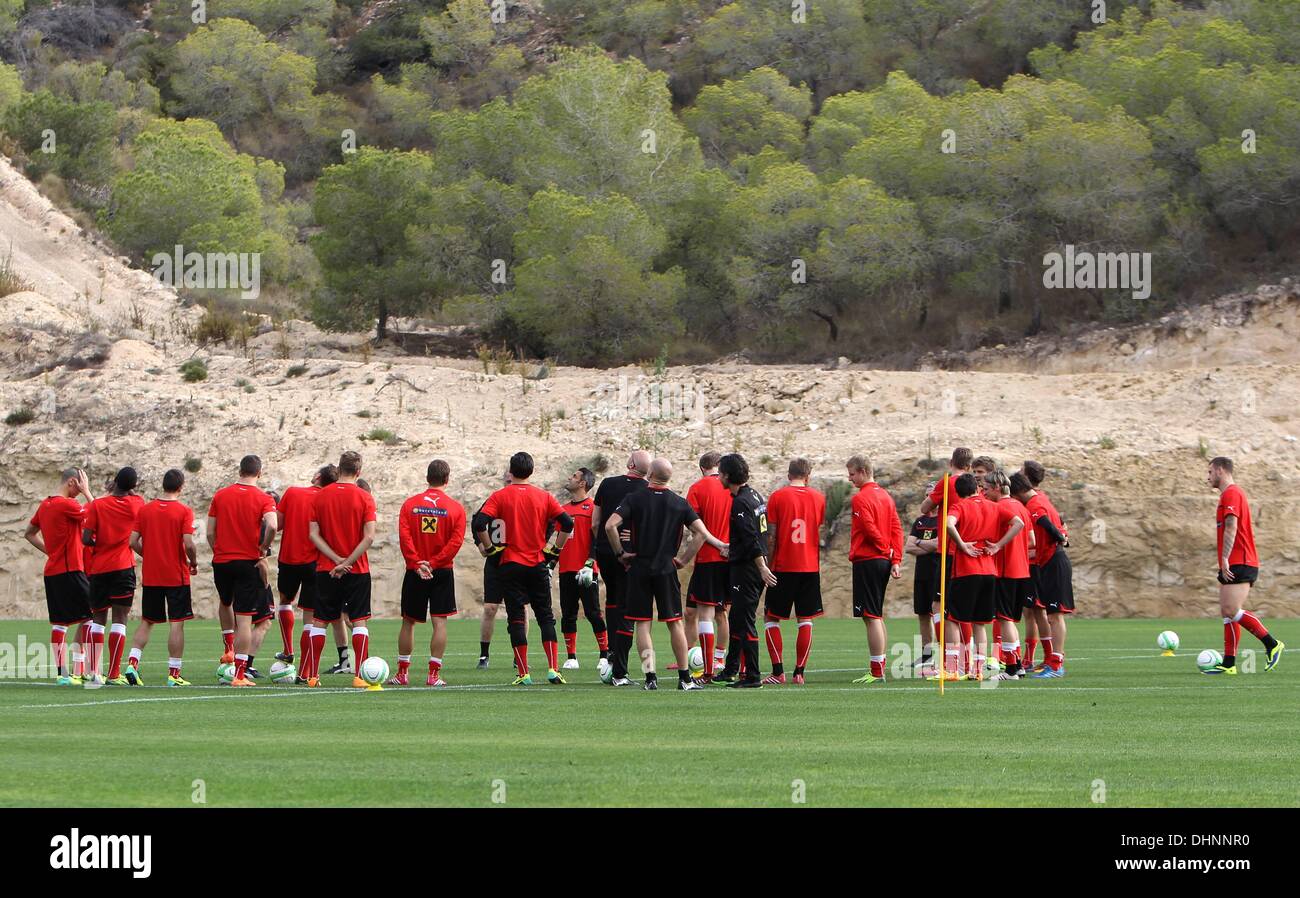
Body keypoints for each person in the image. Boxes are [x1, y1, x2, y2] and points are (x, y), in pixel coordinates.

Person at [604, 458, 725, 690]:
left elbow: (610, 525)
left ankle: (650, 677)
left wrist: (620, 553)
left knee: (643, 624)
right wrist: (684, 560)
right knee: (675, 623)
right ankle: (685, 678)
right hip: (666, 569)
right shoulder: (679, 503)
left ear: (649, 474)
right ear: (669, 477)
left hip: (639, 567)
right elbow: (700, 534)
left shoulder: (634, 499)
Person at [472, 452, 572, 686]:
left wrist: (490, 549)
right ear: (532, 471)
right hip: (537, 563)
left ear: (511, 470)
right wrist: (555, 551)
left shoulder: (500, 496)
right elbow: (567, 523)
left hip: (510, 564)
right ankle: (553, 669)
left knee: (516, 618)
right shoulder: (544, 496)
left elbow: (479, 523)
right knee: (545, 616)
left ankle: (523, 673)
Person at [307, 451, 379, 690]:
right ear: (358, 471)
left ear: (338, 469)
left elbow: (313, 534)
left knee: (320, 620)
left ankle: (313, 676)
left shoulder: (320, 496)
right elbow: (369, 537)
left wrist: (336, 560)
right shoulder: (365, 498)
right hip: (357, 569)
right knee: (359, 621)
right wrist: (347, 561)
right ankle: (359, 676)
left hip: (326, 568)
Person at [1205, 457, 1283, 674]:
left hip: (1241, 560)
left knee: (1232, 609)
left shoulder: (1232, 493)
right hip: (1234, 560)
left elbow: (1231, 525)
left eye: (1210, 472)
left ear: (1220, 470)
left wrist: (1225, 558)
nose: (1207, 477)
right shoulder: (1227, 495)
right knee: (1227, 612)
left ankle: (1272, 644)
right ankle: (1228, 664)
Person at [392, 460, 466, 686]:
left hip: (415, 571)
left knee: (408, 622)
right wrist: (433, 564)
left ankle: (402, 673)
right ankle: (433, 675)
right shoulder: (456, 508)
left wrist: (417, 563)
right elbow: (455, 543)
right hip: (441, 571)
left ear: (427, 478)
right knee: (440, 623)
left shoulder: (409, 505)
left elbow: (404, 538)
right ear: (447, 479)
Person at [207, 455, 278, 687]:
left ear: (240, 471)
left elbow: (210, 532)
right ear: (259, 473)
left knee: (225, 602)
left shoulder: (220, 495)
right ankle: (239, 674)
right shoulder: (264, 498)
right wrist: (264, 548)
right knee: (245, 620)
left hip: (222, 560)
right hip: (247, 561)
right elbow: (273, 525)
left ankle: (228, 647)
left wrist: (218, 550)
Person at [126, 468, 198, 686]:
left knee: (147, 621)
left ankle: (132, 664)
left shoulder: (145, 510)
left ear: (163, 485)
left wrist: (149, 555)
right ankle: (174, 674)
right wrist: (193, 562)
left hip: (152, 575)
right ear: (181, 487)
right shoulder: (184, 511)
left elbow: (132, 541)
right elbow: (188, 543)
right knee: (177, 623)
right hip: (176, 575)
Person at [24, 468, 94, 686]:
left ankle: (63, 675)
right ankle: (83, 669)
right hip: (71, 570)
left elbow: (29, 533)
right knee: (91, 616)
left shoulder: (45, 504)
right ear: (72, 482)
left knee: (60, 623)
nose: (80, 490)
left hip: (52, 571)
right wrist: (88, 492)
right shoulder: (68, 505)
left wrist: (50, 552)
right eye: (80, 485)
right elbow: (98, 514)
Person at [761, 458, 826, 685]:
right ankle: (799, 673)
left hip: (783, 566)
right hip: (809, 566)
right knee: (805, 619)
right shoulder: (819, 498)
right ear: (808, 477)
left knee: (771, 617)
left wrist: (767, 564)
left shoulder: (777, 497)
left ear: (789, 475)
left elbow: (771, 535)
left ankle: (778, 672)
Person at [713, 453, 773, 688]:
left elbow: (751, 538)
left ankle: (753, 676)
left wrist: (761, 567)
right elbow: (761, 533)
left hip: (747, 568)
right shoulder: (755, 495)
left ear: (728, 475)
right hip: (751, 564)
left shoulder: (740, 502)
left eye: (720, 473)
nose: (718, 477)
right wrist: (733, 547)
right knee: (737, 618)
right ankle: (731, 670)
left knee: (745, 620)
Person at [591, 450, 651, 683]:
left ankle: (611, 651)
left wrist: (602, 542)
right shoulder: (646, 490)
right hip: (631, 553)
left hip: (605, 550)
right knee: (628, 605)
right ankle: (619, 666)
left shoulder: (607, 484)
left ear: (631, 463)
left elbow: (596, 522)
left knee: (612, 599)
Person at [83, 467, 146, 685]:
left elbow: (85, 538)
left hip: (99, 568)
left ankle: (94, 671)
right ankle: (113, 673)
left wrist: (99, 544)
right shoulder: (137, 503)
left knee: (98, 619)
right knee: (120, 620)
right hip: (123, 567)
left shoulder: (97, 505)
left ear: (115, 481)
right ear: (133, 487)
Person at [845, 455, 903, 685]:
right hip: (882, 560)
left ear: (862, 471)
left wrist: (885, 549)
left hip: (869, 559)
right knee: (875, 614)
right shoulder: (886, 496)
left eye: (851, 474)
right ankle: (880, 666)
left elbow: (869, 528)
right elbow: (896, 528)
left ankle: (877, 670)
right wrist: (895, 558)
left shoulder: (861, 498)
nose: (849, 479)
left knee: (870, 615)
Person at [1009, 471, 1072, 679]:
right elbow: (1059, 522)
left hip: (1054, 562)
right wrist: (1062, 537)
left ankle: (1056, 665)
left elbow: (1046, 524)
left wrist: (1059, 537)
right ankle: (1052, 662)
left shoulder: (1034, 505)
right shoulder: (1041, 499)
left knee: (1055, 615)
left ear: (1018, 492)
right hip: (1050, 562)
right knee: (1050, 615)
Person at [684, 451, 732, 679]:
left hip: (708, 558)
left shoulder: (697, 488)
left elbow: (695, 528)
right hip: (732, 559)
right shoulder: (734, 487)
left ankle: (708, 668)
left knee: (705, 614)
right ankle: (719, 658)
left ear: (702, 468)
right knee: (722, 613)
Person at [981, 470, 1033, 680]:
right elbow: (1031, 540)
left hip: (1005, 570)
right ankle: (1017, 665)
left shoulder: (1000, 507)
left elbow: (1018, 526)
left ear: (996, 487)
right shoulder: (1021, 507)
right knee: (1008, 620)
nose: (984, 492)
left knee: (1004, 619)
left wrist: (999, 545)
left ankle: (1011, 669)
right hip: (1022, 570)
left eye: (986, 488)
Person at [556, 467, 607, 670]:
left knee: (593, 612)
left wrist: (591, 561)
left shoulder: (593, 508)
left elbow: (597, 537)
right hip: (565, 569)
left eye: (574, 476)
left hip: (586, 569)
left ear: (582, 483)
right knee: (568, 613)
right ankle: (571, 657)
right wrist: (551, 562)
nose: (570, 477)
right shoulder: (563, 510)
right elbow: (560, 539)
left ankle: (604, 655)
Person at [474, 472, 511, 669]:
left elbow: (548, 522)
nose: (510, 483)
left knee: (520, 609)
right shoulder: (495, 499)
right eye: (507, 480)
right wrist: (481, 544)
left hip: (518, 560)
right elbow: (477, 521)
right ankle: (484, 655)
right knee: (490, 608)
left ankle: (519, 656)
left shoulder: (527, 498)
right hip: (495, 560)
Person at [905, 487, 941, 675]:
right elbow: (908, 547)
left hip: (938, 573)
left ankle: (944, 653)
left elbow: (938, 545)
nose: (929, 498)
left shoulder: (943, 519)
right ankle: (927, 654)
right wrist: (926, 545)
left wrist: (919, 543)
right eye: (926, 495)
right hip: (921, 574)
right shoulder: (919, 521)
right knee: (923, 614)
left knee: (939, 613)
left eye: (931, 495)